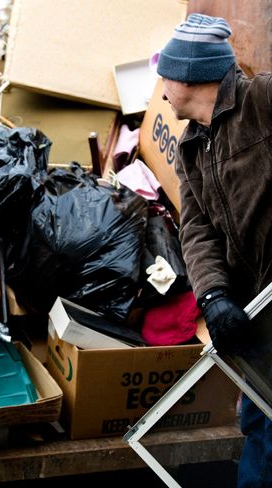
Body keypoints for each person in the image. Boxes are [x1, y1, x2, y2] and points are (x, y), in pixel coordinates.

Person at [156, 12, 272, 488]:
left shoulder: (261, 99)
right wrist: (214, 297)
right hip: (257, 316)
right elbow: (197, 231)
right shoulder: (189, 148)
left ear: (188, 74)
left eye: (164, 72)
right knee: (259, 420)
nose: (160, 86)